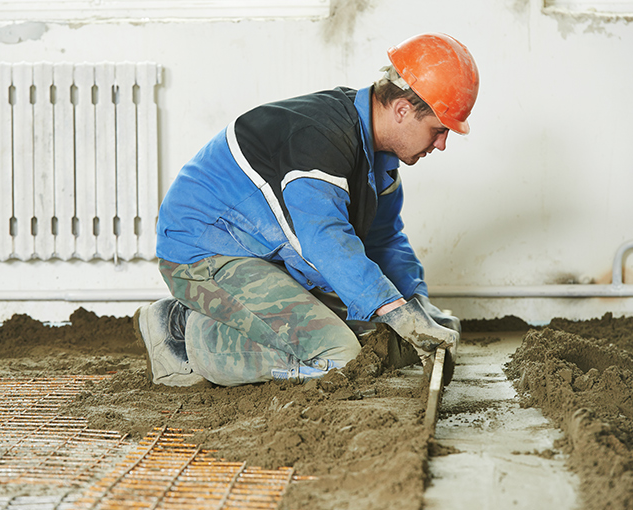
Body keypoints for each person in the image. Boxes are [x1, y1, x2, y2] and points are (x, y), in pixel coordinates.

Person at [133, 32, 479, 387]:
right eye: (438, 130)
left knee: (431, 326)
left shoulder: (380, 158)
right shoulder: (322, 137)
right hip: (205, 255)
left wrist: (416, 306)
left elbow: (385, 239)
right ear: (403, 109)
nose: (442, 144)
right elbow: (323, 241)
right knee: (340, 356)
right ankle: (185, 339)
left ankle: (206, 317)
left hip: (262, 256)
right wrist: (396, 313)